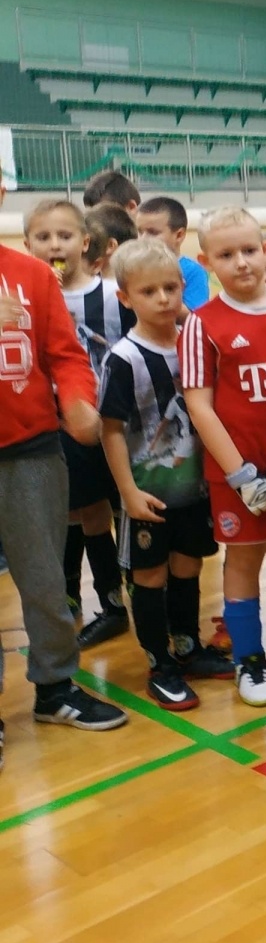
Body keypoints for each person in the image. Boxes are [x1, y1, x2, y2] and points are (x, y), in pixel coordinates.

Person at [0, 191, 128, 747]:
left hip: (31, 451)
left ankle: (54, 688)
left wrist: (78, 398)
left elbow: (66, 354)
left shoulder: (32, 275)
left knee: (46, 579)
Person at [181, 207, 266, 707]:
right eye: (225, 254)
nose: (240, 262)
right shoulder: (202, 324)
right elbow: (199, 405)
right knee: (242, 561)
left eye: (249, 250)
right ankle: (248, 658)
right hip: (239, 476)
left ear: (265, 250)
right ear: (206, 261)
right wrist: (241, 476)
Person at [99, 239, 230, 710]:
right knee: (150, 576)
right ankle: (160, 662)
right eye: (149, 291)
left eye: (171, 287)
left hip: (194, 489)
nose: (163, 299)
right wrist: (128, 491)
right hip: (148, 494)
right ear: (125, 298)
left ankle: (188, 646)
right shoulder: (124, 359)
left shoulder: (197, 342)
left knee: (188, 566)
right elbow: (110, 431)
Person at [23, 200, 131, 646]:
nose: (54, 245)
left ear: (85, 243)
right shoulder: (26, 297)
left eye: (64, 236)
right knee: (67, 512)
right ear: (28, 244)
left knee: (99, 512)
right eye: (43, 238)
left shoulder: (111, 295)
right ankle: (69, 596)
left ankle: (113, 604)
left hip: (105, 421)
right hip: (53, 425)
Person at [134, 197, 210, 311]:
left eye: (153, 232)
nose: (143, 239)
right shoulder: (133, 268)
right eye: (140, 232)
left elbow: (195, 316)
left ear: (179, 235)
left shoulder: (193, 271)